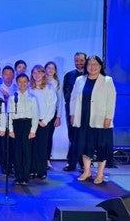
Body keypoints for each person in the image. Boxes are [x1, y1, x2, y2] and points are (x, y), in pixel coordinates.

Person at [70, 55, 116, 185]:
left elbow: (111, 100)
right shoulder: (80, 79)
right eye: (90, 63)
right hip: (83, 119)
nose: (92, 66)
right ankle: (87, 171)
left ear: (100, 66)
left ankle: (100, 174)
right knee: (85, 146)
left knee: (102, 147)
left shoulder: (107, 80)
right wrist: (72, 114)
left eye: (95, 64)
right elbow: (73, 98)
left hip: (100, 120)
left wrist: (109, 117)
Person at [8, 73, 38, 185]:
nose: (22, 84)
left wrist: (33, 131)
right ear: (17, 83)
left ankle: (25, 176)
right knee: (17, 152)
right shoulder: (12, 98)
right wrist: (10, 130)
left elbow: (35, 115)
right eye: (20, 82)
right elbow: (9, 114)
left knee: (26, 152)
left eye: (25, 81)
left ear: (28, 83)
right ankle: (18, 175)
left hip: (27, 124)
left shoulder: (32, 98)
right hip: (16, 124)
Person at [29, 65, 57, 180]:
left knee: (42, 147)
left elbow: (52, 106)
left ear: (43, 74)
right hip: (31, 122)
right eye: (34, 73)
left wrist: (45, 121)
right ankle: (31, 169)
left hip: (43, 122)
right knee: (31, 147)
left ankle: (41, 171)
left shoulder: (49, 88)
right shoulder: (29, 88)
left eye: (39, 72)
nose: (37, 75)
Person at [62, 52, 86, 172]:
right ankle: (71, 163)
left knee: (84, 137)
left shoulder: (91, 75)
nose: (79, 63)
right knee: (72, 136)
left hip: (86, 111)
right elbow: (66, 95)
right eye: (76, 60)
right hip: (71, 110)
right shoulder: (69, 75)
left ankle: (84, 164)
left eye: (81, 60)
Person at [0, 65, 17, 175]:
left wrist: (8, 97)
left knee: (13, 145)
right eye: (6, 74)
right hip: (2, 120)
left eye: (10, 74)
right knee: (3, 145)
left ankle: (12, 165)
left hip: (14, 120)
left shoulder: (17, 88)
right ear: (2, 75)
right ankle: (4, 167)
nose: (8, 76)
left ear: (13, 76)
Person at [45, 61, 64, 170]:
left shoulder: (56, 83)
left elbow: (60, 100)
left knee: (48, 137)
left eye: (53, 68)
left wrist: (58, 116)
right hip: (40, 114)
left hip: (53, 114)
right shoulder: (40, 81)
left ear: (55, 71)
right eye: (48, 68)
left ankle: (47, 160)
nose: (51, 70)